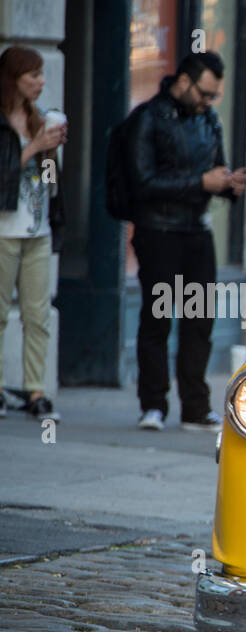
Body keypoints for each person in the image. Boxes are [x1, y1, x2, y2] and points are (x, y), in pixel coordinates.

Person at [123, 50, 246, 431]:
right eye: (205, 94)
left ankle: (195, 407)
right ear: (184, 82)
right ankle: (153, 405)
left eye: (215, 96)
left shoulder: (208, 120)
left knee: (199, 321)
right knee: (157, 318)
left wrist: (230, 185)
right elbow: (141, 183)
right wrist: (200, 183)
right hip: (158, 232)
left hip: (197, 232)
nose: (209, 102)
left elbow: (217, 171)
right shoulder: (148, 118)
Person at [0, 45, 65, 422]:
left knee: (37, 314)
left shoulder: (44, 119)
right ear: (13, 79)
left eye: (42, 75)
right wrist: (33, 147)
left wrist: (51, 154)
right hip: (5, 229)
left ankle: (36, 391)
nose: (41, 82)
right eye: (33, 76)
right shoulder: (2, 124)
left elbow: (50, 185)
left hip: (37, 229)